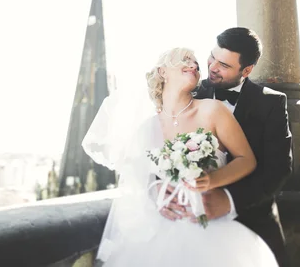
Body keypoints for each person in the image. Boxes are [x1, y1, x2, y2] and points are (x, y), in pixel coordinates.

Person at [82, 47, 278, 266]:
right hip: (159, 232)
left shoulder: (213, 110)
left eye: (196, 63)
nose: (194, 65)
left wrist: (213, 180)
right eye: (186, 60)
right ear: (162, 71)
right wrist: (155, 191)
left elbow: (246, 160)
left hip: (210, 226)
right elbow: (136, 183)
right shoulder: (146, 128)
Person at [160, 28, 293, 267]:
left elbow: (278, 169)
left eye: (224, 65)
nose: (211, 67)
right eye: (212, 57)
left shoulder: (272, 102)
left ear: (247, 70)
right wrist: (160, 188)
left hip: (252, 220)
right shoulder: (189, 91)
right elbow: (162, 142)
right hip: (190, 223)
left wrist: (229, 200)